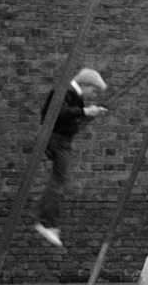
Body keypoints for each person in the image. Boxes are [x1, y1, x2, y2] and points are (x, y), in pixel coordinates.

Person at [32, 68, 109, 248]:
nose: (93, 94)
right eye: (94, 90)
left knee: (59, 180)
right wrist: (84, 112)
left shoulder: (71, 93)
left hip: (60, 140)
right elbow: (57, 113)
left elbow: (68, 118)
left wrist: (89, 114)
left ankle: (49, 222)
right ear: (86, 84)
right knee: (58, 181)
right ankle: (47, 222)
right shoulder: (65, 91)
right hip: (57, 140)